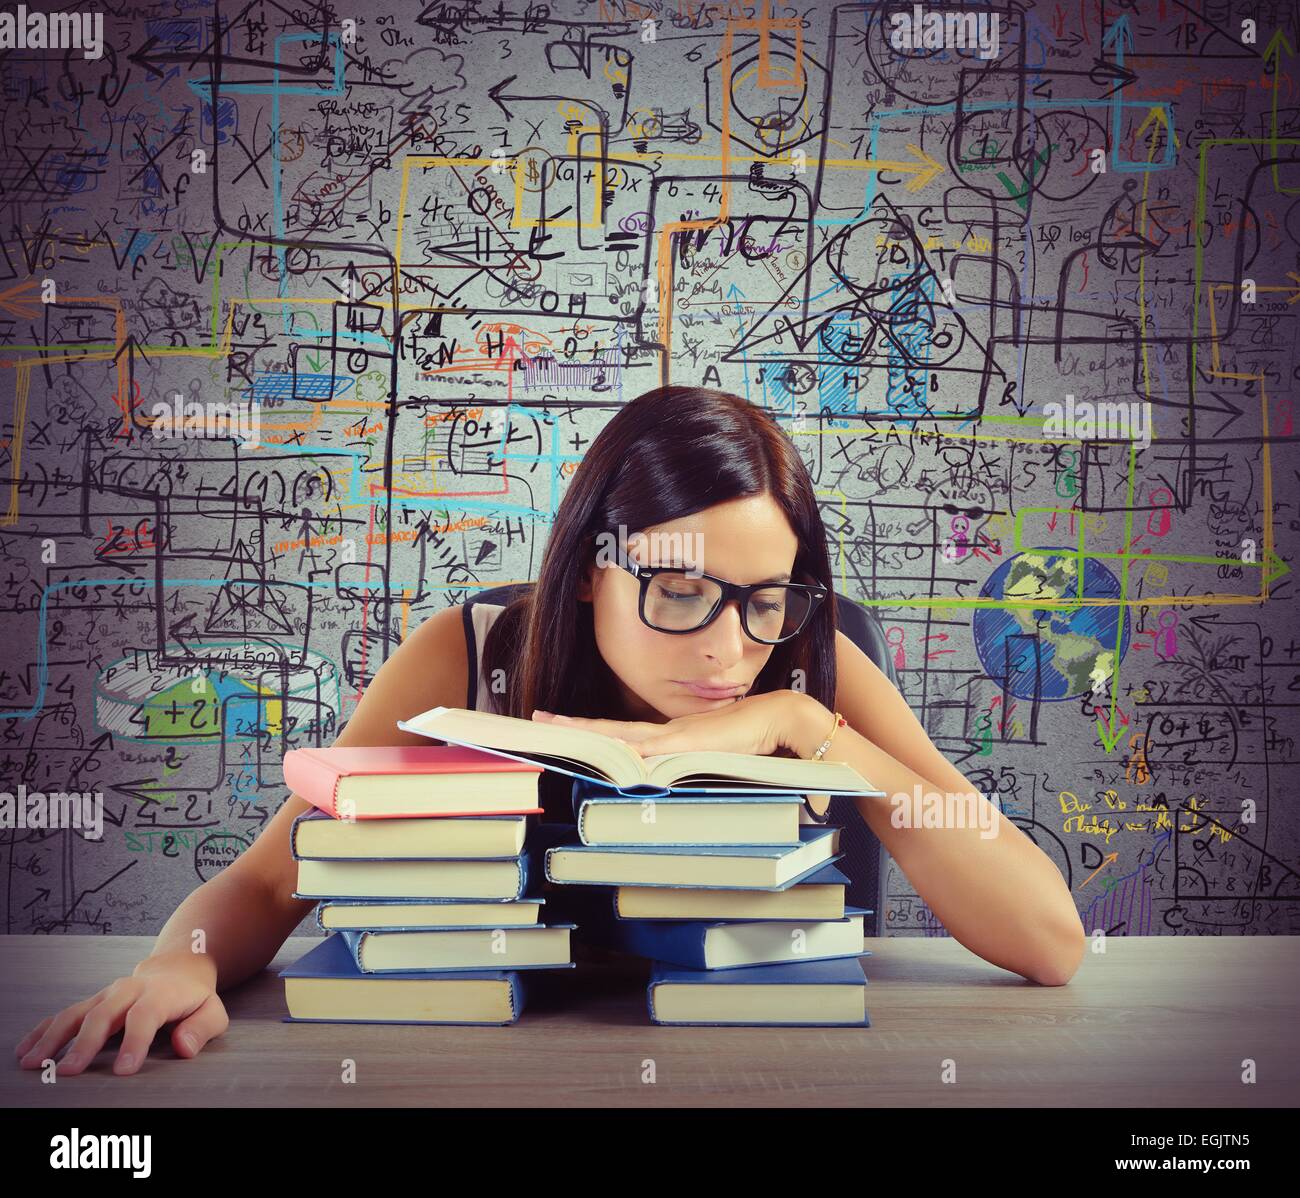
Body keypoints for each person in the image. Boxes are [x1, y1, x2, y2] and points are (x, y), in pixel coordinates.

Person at [15, 385, 1086, 1078]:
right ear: (586, 576)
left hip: (769, 1071)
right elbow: (265, 878)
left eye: (765, 597)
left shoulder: (816, 661)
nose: (727, 647)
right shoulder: (471, 652)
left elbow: (1048, 940)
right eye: (678, 591)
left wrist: (816, 726)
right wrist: (182, 961)